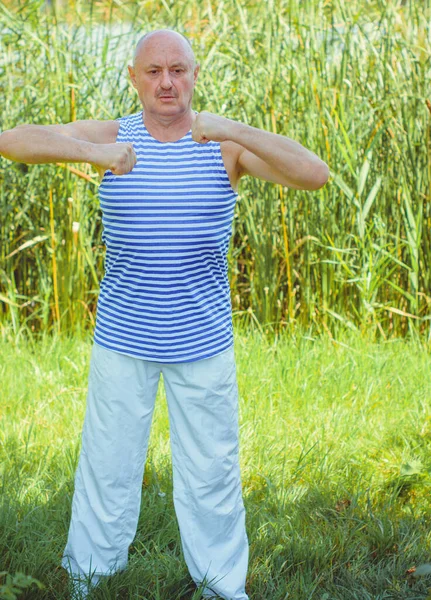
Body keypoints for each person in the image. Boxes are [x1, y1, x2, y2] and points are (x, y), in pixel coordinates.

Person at [0, 28, 329, 600]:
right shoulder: (112, 136)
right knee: (108, 464)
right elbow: (11, 139)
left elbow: (313, 173)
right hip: (123, 337)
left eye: (178, 69)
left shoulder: (224, 146)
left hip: (202, 340)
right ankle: (91, 578)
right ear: (134, 78)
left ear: (195, 74)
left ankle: (223, 586)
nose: (167, 82)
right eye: (153, 71)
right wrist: (92, 152)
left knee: (213, 471)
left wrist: (230, 127)